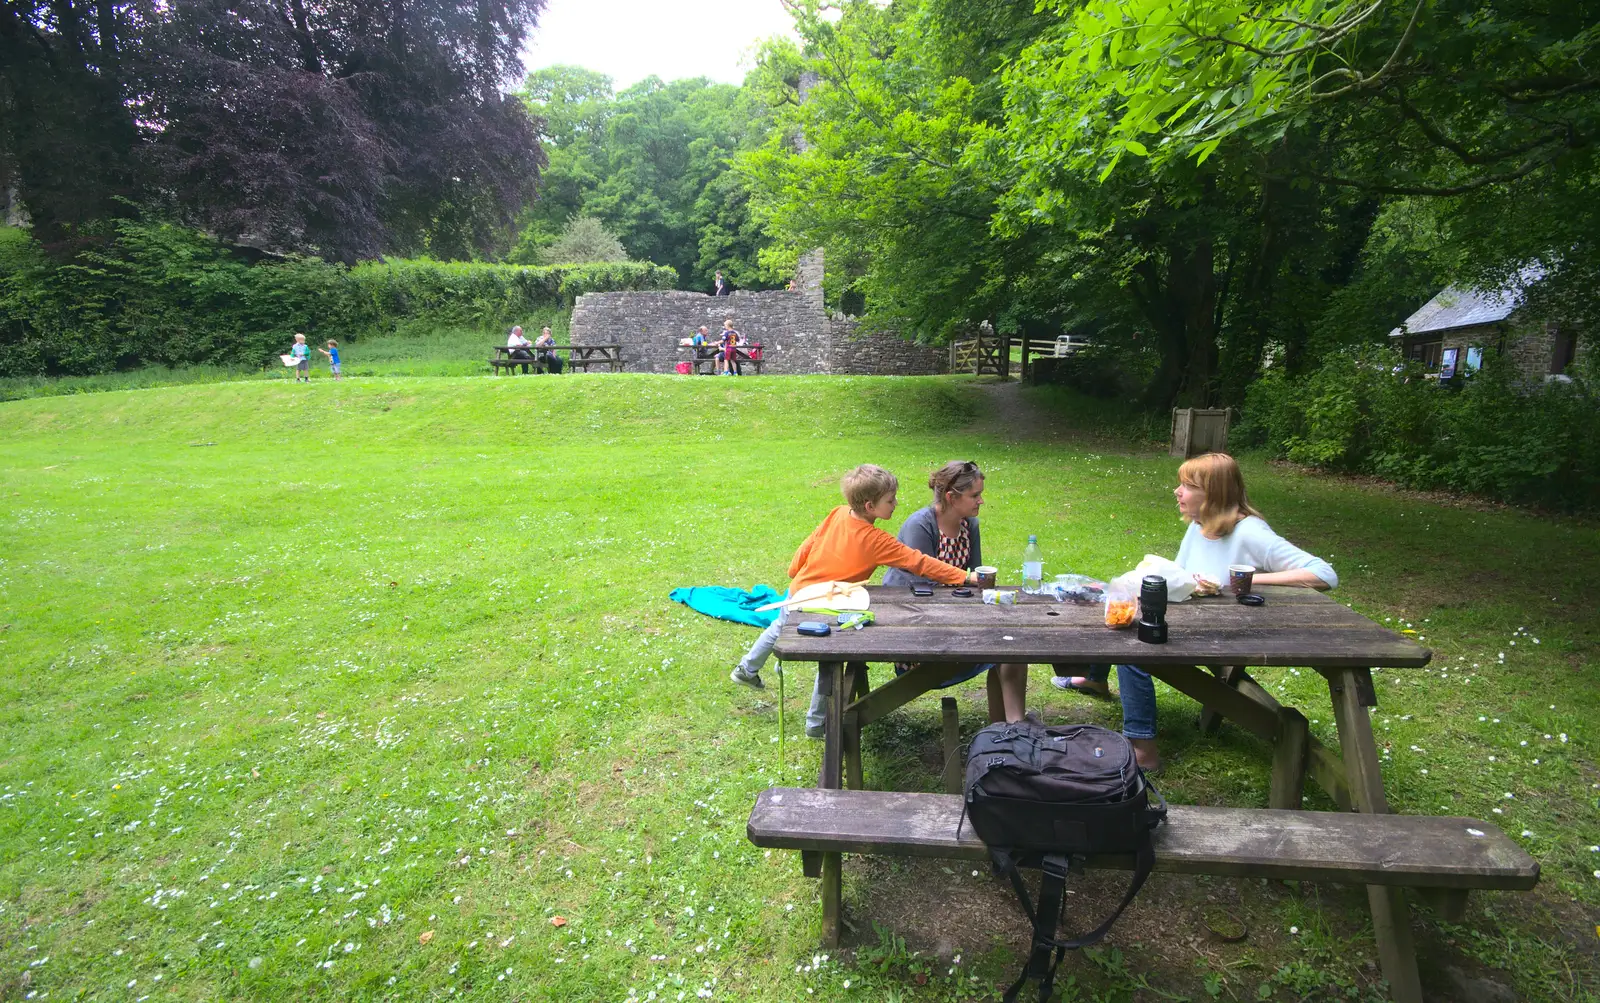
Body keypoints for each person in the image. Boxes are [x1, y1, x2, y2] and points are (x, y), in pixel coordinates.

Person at [1053, 452, 1338, 772]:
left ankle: (1142, 749)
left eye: (1187, 485)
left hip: (1227, 635)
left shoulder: (1250, 533)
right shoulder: (1200, 526)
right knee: (1116, 605)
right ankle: (1095, 680)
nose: (1177, 491)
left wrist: (1244, 579)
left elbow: (1324, 575)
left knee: (1132, 648)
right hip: (1196, 621)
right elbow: (1183, 575)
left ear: (1214, 494)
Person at [730, 464, 979, 740]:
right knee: (830, 659)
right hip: (821, 605)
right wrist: (964, 577)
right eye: (890, 500)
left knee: (778, 627)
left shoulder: (838, 513)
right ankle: (816, 723)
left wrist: (794, 572)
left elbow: (810, 543)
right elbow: (919, 562)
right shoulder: (876, 540)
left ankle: (747, 668)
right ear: (871, 506)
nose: (896, 503)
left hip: (798, 593)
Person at [883, 461, 1030, 724]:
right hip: (915, 636)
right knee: (1003, 647)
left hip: (954, 623)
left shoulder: (969, 525)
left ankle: (1009, 731)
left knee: (1012, 648)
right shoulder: (921, 525)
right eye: (975, 495)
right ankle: (1009, 732)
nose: (981, 501)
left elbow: (975, 582)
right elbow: (922, 593)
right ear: (951, 497)